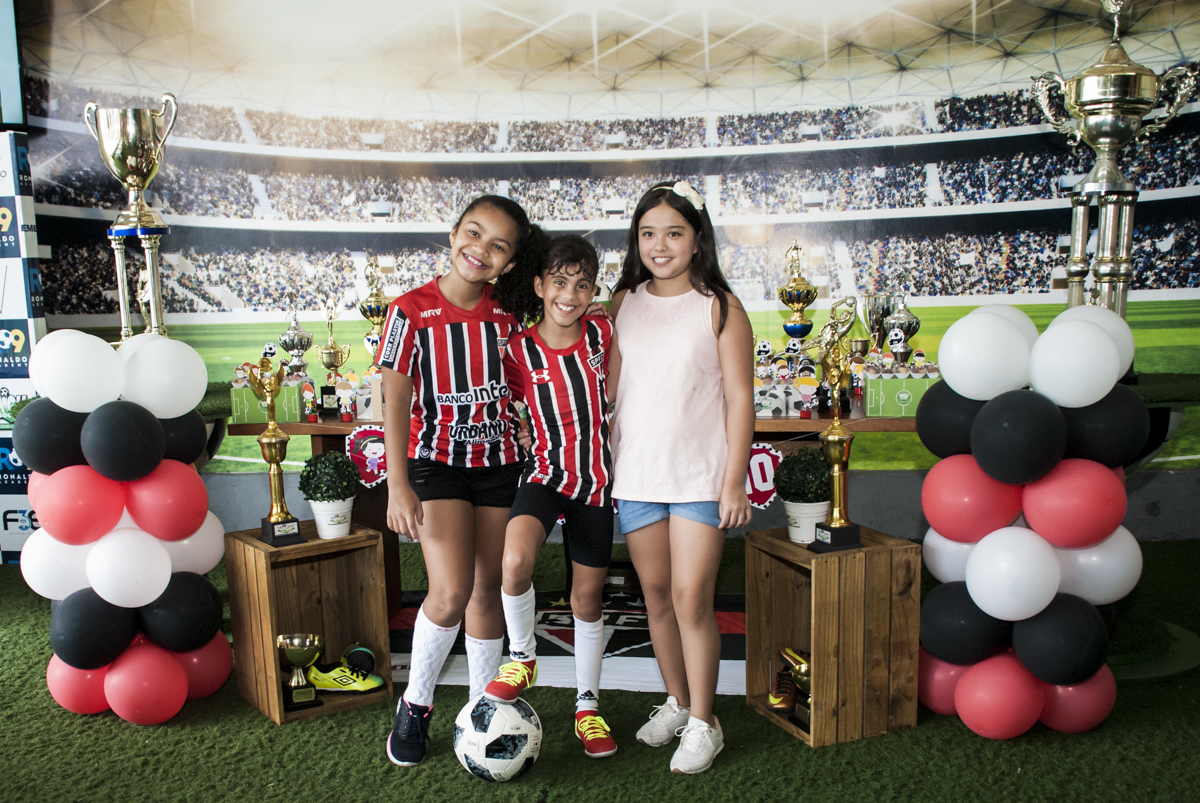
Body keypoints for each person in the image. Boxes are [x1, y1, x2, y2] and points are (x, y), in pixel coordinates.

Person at [378, 195, 547, 767]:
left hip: (498, 465)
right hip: (437, 464)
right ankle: (416, 704)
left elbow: (529, 383)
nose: (481, 249)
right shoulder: (410, 311)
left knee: (486, 590)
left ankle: (481, 709)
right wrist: (398, 484)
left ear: (509, 262)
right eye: (474, 233)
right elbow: (395, 403)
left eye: (499, 245)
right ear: (453, 235)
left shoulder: (508, 316)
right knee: (449, 591)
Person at [609, 180, 754, 775]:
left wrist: (734, 481)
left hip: (699, 476)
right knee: (658, 599)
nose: (660, 245)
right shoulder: (622, 302)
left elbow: (741, 400)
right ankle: (677, 700)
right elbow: (610, 389)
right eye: (648, 233)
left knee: (693, 599)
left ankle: (705, 722)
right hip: (637, 474)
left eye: (674, 232)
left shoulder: (720, 305)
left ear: (697, 240)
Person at [482, 235, 618, 759]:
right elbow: (508, 406)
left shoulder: (601, 330)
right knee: (514, 560)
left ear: (593, 292)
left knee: (587, 599)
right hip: (542, 475)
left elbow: (627, 296)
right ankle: (523, 656)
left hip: (594, 484)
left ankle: (587, 707)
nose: (570, 294)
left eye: (582, 284)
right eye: (559, 282)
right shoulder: (516, 349)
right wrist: (520, 433)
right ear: (539, 286)